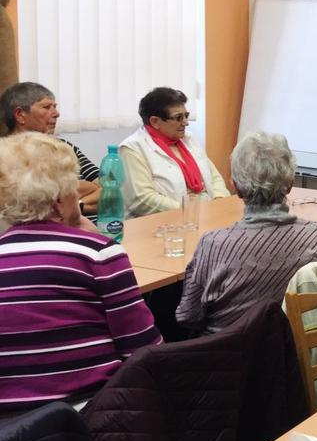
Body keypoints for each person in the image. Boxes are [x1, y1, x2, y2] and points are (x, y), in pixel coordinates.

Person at [0, 133, 162, 415]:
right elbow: (144, 350)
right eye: (74, 190)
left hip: (9, 432)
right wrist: (97, 239)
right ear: (59, 201)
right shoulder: (96, 253)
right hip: (91, 416)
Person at [176, 132, 317, 334]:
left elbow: (188, 315)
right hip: (291, 356)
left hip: (223, 357)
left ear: (237, 188)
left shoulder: (213, 244)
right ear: (290, 184)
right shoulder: (316, 235)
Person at [120, 87, 230, 217]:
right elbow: (142, 199)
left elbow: (214, 177)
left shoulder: (189, 139)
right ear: (155, 121)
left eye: (186, 116)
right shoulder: (133, 148)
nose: (186, 123)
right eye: (178, 118)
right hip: (163, 224)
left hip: (207, 212)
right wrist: (191, 210)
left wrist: (219, 200)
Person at [0, 82, 101, 217]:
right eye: (47, 107)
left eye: (55, 107)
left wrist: (77, 205)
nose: (56, 113)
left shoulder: (64, 146)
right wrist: (86, 189)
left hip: (93, 229)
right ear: (20, 115)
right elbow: (31, 203)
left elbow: (109, 189)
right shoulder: (5, 154)